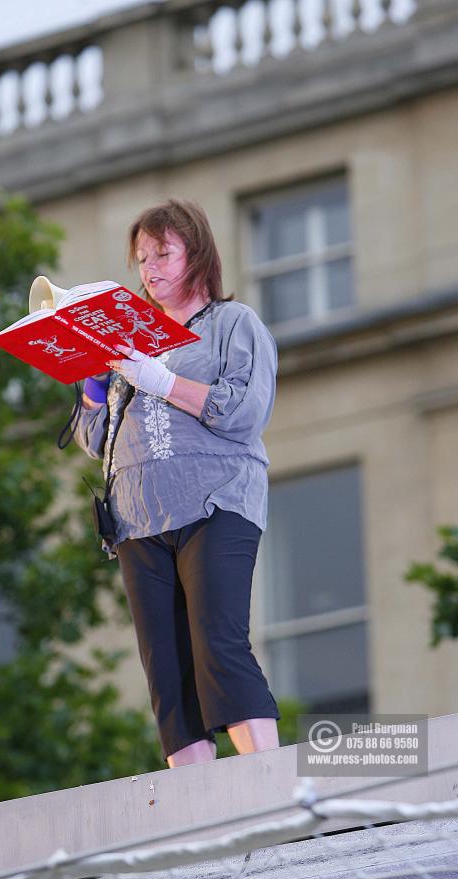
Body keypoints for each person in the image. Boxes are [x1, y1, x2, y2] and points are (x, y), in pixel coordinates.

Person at [72, 198, 280, 768]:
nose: (150, 268)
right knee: (165, 667)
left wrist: (160, 379)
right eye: (141, 258)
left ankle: (271, 788)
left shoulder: (233, 325)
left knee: (218, 644)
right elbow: (95, 438)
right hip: (139, 518)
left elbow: (245, 412)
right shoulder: (128, 340)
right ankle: (200, 813)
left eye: (163, 253)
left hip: (216, 503)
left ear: (197, 254)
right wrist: (93, 386)